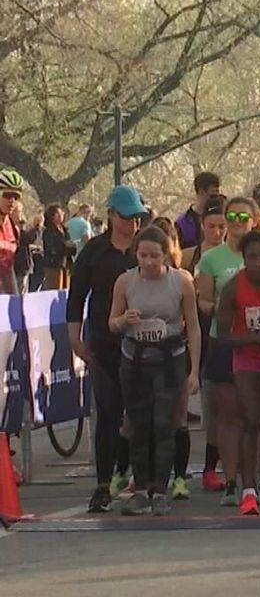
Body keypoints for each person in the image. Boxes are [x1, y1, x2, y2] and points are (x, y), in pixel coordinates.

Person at [195, 197, 260, 506]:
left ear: (255, 220)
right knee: (229, 415)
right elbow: (203, 302)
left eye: (242, 216)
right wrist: (225, 307)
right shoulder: (211, 258)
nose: (236, 220)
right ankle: (232, 481)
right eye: (230, 215)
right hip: (226, 342)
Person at [105, 225, 200, 515]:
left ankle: (160, 488)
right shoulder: (125, 281)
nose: (148, 262)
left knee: (164, 423)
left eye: (154, 256)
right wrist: (124, 320)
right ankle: (142, 489)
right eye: (143, 255)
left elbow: (193, 328)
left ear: (166, 255)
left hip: (169, 356)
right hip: (134, 359)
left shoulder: (181, 282)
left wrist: (194, 371)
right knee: (138, 424)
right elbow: (111, 322)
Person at [71, 185, 146, 512]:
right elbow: (76, 297)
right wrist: (75, 339)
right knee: (108, 412)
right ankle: (103, 484)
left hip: (143, 343)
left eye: (137, 217)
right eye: (127, 217)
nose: (133, 224)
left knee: (140, 413)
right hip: (103, 344)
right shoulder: (94, 251)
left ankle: (137, 477)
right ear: (111, 216)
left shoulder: (144, 249)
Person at [181, 195, 228, 491]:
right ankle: (209, 467)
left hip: (225, 333)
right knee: (209, 406)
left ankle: (229, 465)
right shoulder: (189, 256)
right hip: (199, 331)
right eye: (211, 226)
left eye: (222, 225)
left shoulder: (234, 254)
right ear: (202, 226)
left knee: (228, 407)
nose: (217, 232)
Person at [176, 171, 221, 249]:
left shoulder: (223, 217)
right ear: (201, 192)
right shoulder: (182, 223)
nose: (216, 198)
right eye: (213, 195)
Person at [40, 205, 72, 290]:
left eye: (61, 213)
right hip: (53, 266)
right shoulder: (48, 232)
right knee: (55, 288)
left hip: (66, 265)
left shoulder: (65, 230)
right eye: (58, 213)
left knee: (65, 290)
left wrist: (71, 247)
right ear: (52, 216)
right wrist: (64, 247)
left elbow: (69, 243)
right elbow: (50, 248)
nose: (61, 215)